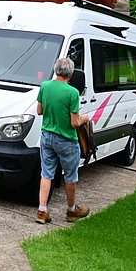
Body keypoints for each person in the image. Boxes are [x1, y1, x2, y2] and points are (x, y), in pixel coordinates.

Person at [35, 56, 91, 224]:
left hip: (47, 136)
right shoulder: (73, 92)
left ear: (55, 70)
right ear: (71, 73)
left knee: (46, 173)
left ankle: (42, 210)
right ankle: (72, 210)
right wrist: (85, 119)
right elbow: (74, 123)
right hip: (66, 140)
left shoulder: (45, 86)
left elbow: (39, 111)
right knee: (70, 176)